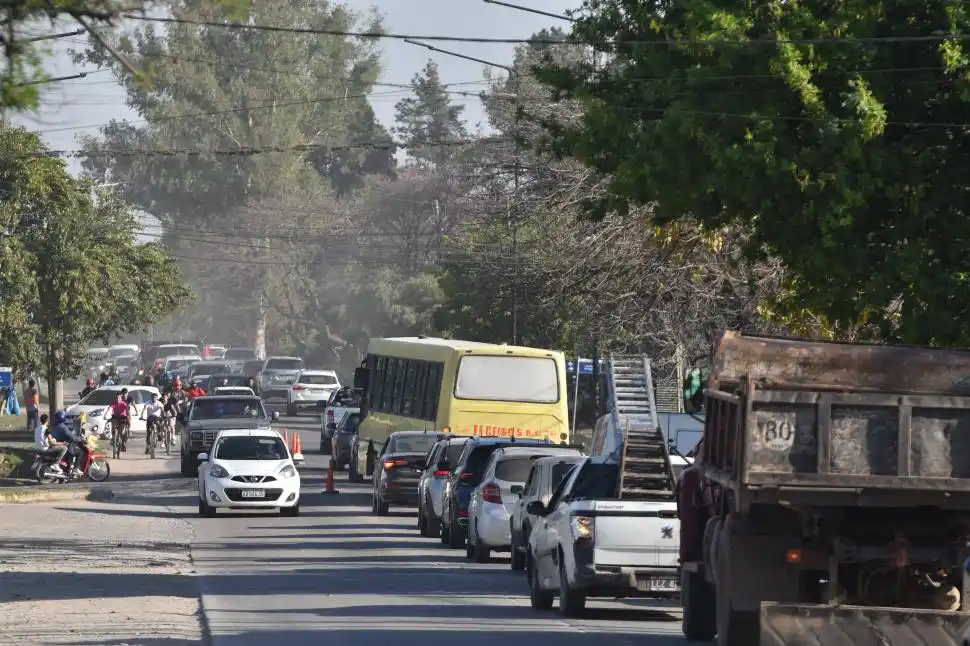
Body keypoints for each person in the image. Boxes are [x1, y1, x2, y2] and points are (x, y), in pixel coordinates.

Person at [49, 411, 80, 477]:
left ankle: (69, 468)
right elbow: (72, 437)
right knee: (79, 452)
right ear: (63, 418)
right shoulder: (63, 427)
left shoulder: (53, 426)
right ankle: (75, 469)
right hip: (63, 444)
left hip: (56, 444)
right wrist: (81, 439)